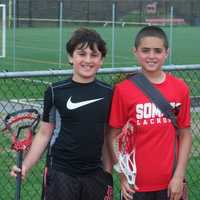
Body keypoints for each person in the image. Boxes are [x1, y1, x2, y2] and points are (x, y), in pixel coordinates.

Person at [10, 27, 113, 200]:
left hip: (95, 173)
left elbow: (107, 135)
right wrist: (26, 165)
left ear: (101, 60)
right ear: (71, 57)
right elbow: (44, 134)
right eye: (81, 54)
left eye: (94, 55)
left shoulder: (108, 92)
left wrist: (108, 172)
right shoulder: (55, 91)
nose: (88, 60)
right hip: (61, 172)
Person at [108, 26, 192, 200]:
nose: (151, 56)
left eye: (157, 51)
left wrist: (179, 176)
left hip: (170, 183)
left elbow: (185, 134)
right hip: (135, 185)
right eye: (145, 50)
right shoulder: (123, 90)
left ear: (166, 53)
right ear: (135, 52)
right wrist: (122, 174)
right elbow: (112, 136)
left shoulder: (180, 88)